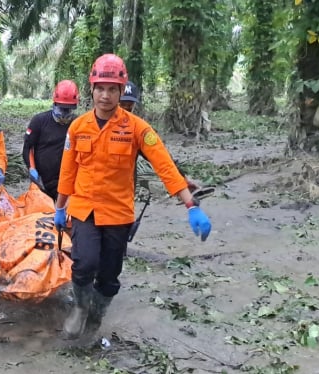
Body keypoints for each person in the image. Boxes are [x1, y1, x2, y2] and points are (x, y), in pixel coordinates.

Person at [54, 54, 212, 339]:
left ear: (120, 90)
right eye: (100, 88)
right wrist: (60, 207)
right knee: (85, 262)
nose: (105, 95)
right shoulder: (77, 128)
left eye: (112, 89)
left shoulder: (138, 129)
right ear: (92, 88)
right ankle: (79, 307)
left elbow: (164, 165)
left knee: (109, 275)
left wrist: (190, 203)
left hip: (117, 212)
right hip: (84, 209)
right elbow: (68, 170)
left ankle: (97, 314)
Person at [119, 80, 199, 193]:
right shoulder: (91, 126)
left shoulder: (138, 131)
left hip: (124, 195)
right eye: (122, 104)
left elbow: (162, 160)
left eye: (129, 105)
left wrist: (183, 179)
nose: (125, 108)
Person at [22, 80, 80, 201]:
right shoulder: (39, 121)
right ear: (54, 103)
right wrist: (31, 168)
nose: (64, 114)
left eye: (68, 110)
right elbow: (28, 147)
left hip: (66, 182)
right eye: (61, 109)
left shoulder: (78, 124)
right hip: (41, 180)